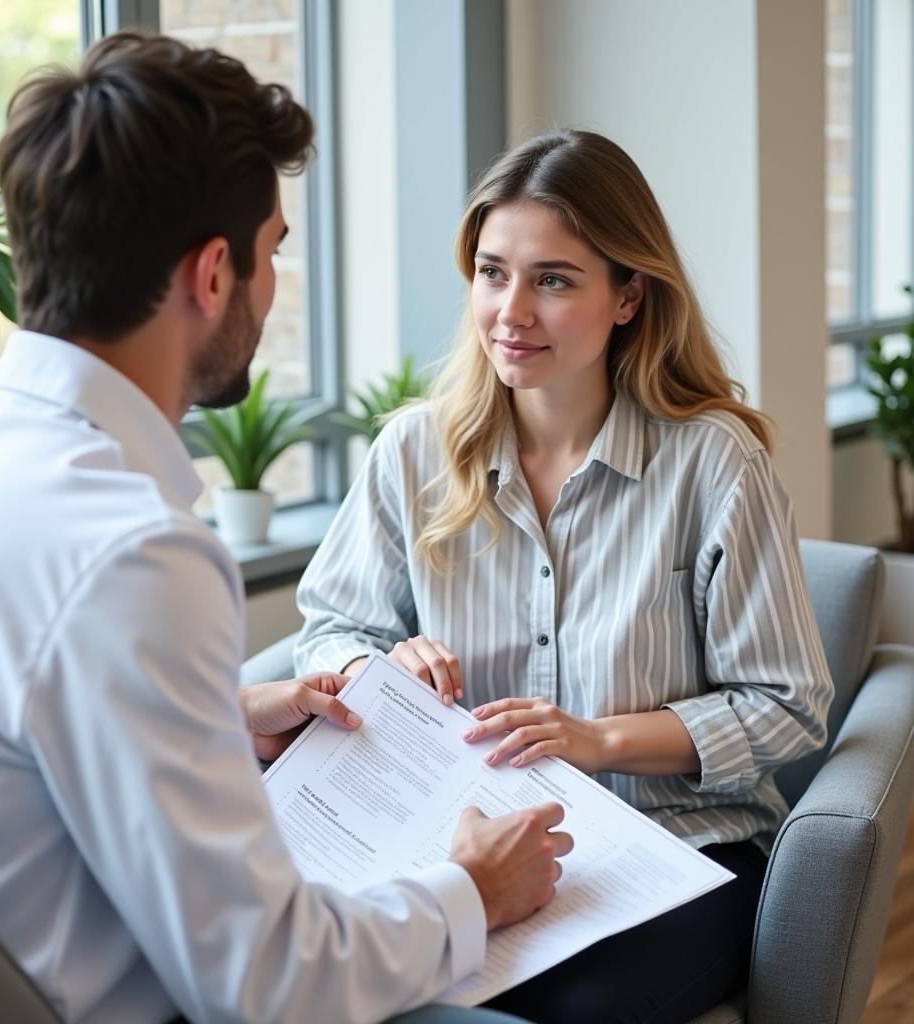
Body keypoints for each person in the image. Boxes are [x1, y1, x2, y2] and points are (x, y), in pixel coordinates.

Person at [0, 32, 573, 1024]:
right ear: (214, 274)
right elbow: (266, 986)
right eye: (271, 253)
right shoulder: (132, 553)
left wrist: (219, 715)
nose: (270, 282)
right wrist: (474, 886)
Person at [294, 129, 834, 1023]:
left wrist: (596, 739)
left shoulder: (712, 463)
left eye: (553, 280)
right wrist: (377, 668)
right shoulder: (413, 452)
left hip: (681, 848)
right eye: (493, 272)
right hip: (463, 847)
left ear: (628, 295)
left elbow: (788, 703)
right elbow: (330, 629)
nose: (512, 311)